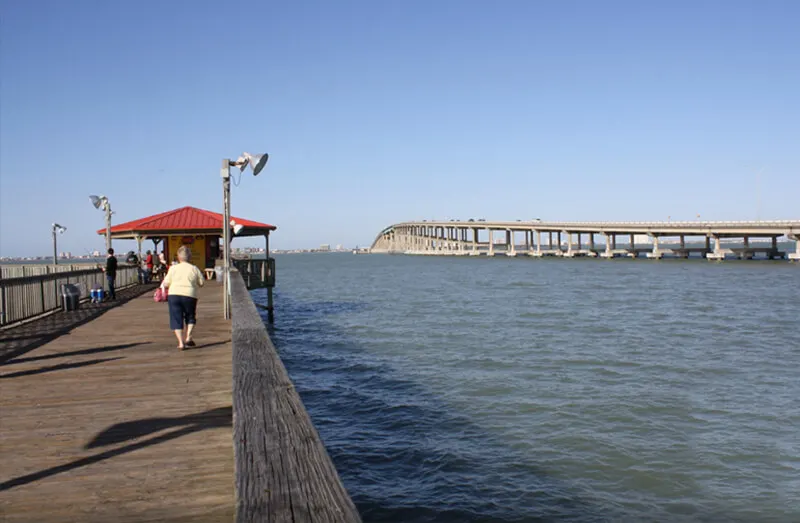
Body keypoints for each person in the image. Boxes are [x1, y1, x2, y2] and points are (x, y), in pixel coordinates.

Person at [162, 245, 205, 350]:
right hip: (190, 295)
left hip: (174, 295)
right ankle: (188, 336)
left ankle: (181, 343)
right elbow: (202, 283)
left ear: (178, 257)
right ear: (190, 257)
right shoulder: (194, 268)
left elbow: (166, 283)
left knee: (176, 318)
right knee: (190, 316)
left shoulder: (173, 268)